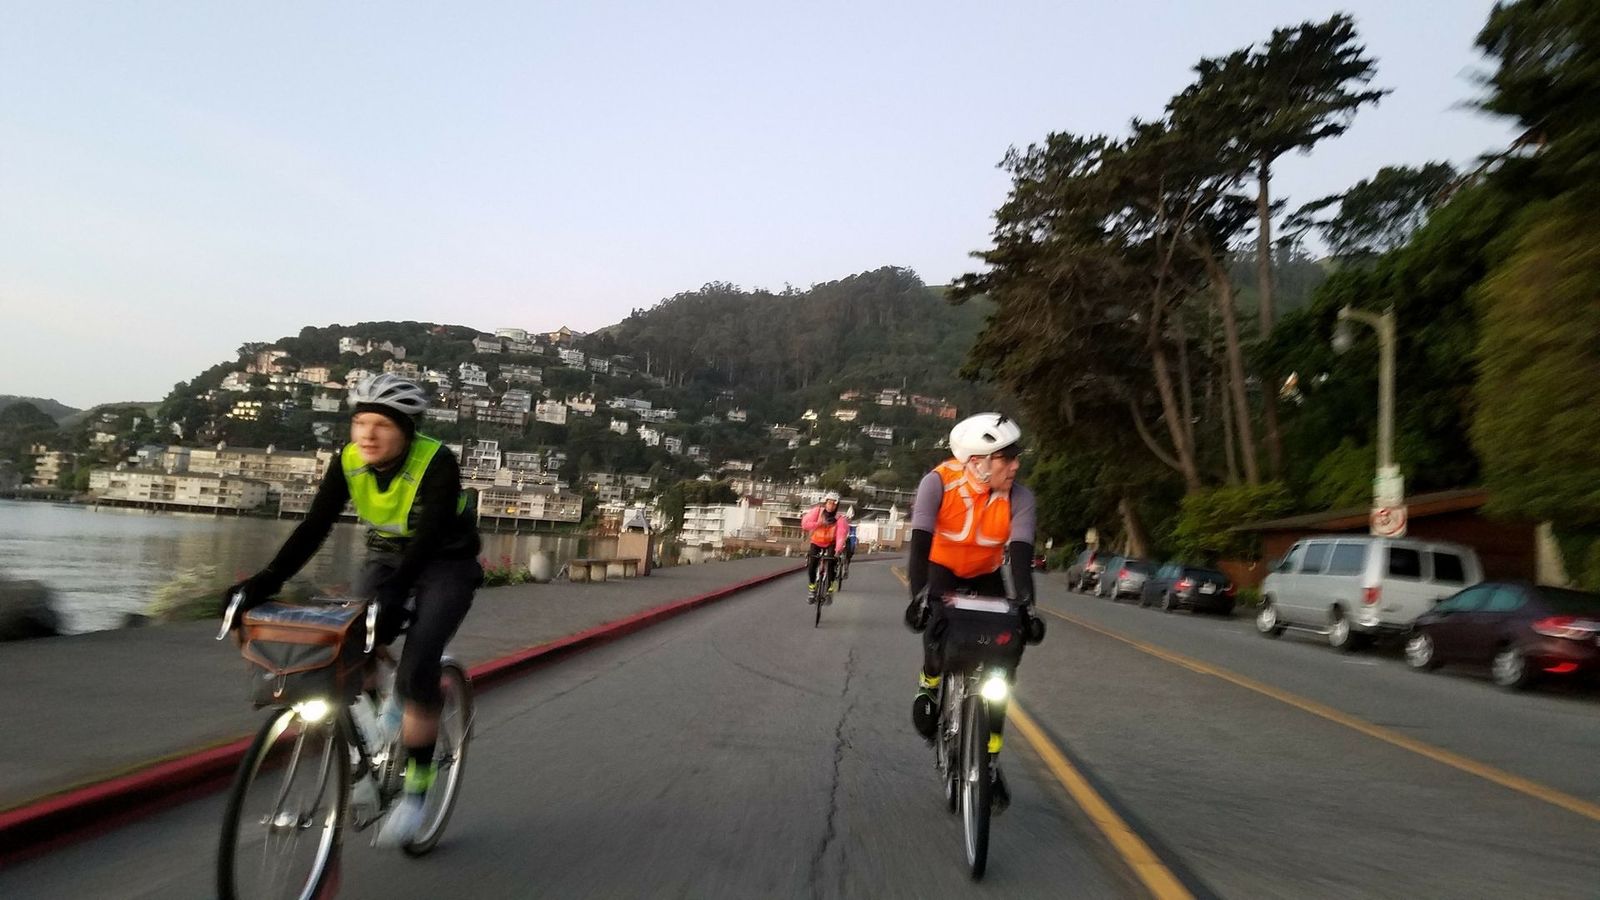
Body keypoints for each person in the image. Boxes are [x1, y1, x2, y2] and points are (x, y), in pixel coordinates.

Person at [226, 374, 482, 847]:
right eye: (360, 422)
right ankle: (373, 738)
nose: (367, 434)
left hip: (445, 562)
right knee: (344, 650)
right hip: (385, 557)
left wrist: (394, 599)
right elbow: (315, 526)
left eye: (381, 424)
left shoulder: (435, 461)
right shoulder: (348, 461)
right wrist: (264, 581)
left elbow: (427, 539)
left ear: (406, 430)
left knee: (417, 670)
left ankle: (416, 794)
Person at [902, 412, 1044, 810]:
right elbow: (920, 547)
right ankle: (930, 683)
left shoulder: (1020, 498)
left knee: (1003, 664)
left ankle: (990, 761)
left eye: (1016, 457)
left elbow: (1020, 557)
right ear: (977, 462)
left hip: (986, 575)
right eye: (1006, 458)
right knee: (938, 633)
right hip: (941, 569)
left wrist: (1027, 608)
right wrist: (919, 600)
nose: (1015, 466)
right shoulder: (938, 483)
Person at [800, 491, 850, 602]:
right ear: (825, 503)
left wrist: (838, 550)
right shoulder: (817, 512)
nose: (831, 506)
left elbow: (841, 535)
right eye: (829, 503)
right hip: (816, 541)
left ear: (837, 506)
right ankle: (812, 589)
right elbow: (805, 524)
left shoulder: (840, 519)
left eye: (834, 504)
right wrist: (818, 524)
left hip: (831, 543)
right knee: (812, 564)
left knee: (832, 564)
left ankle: (829, 590)